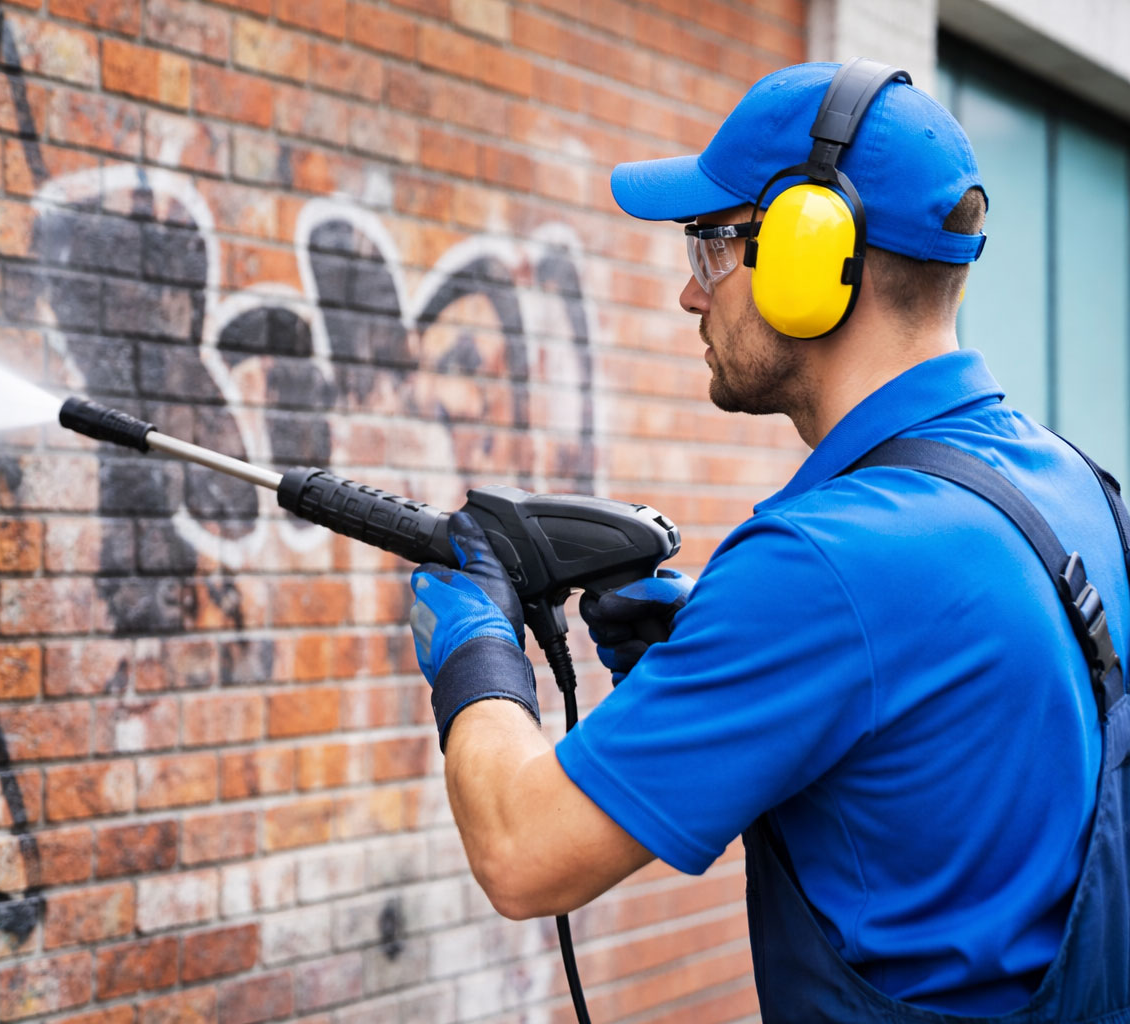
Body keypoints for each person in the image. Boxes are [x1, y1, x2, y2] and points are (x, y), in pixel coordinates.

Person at [408, 60, 1130, 1021]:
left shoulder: (827, 566)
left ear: (810, 255)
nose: (691, 295)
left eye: (710, 247)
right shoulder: (1079, 488)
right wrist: (735, 648)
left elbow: (522, 856)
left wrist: (474, 648)